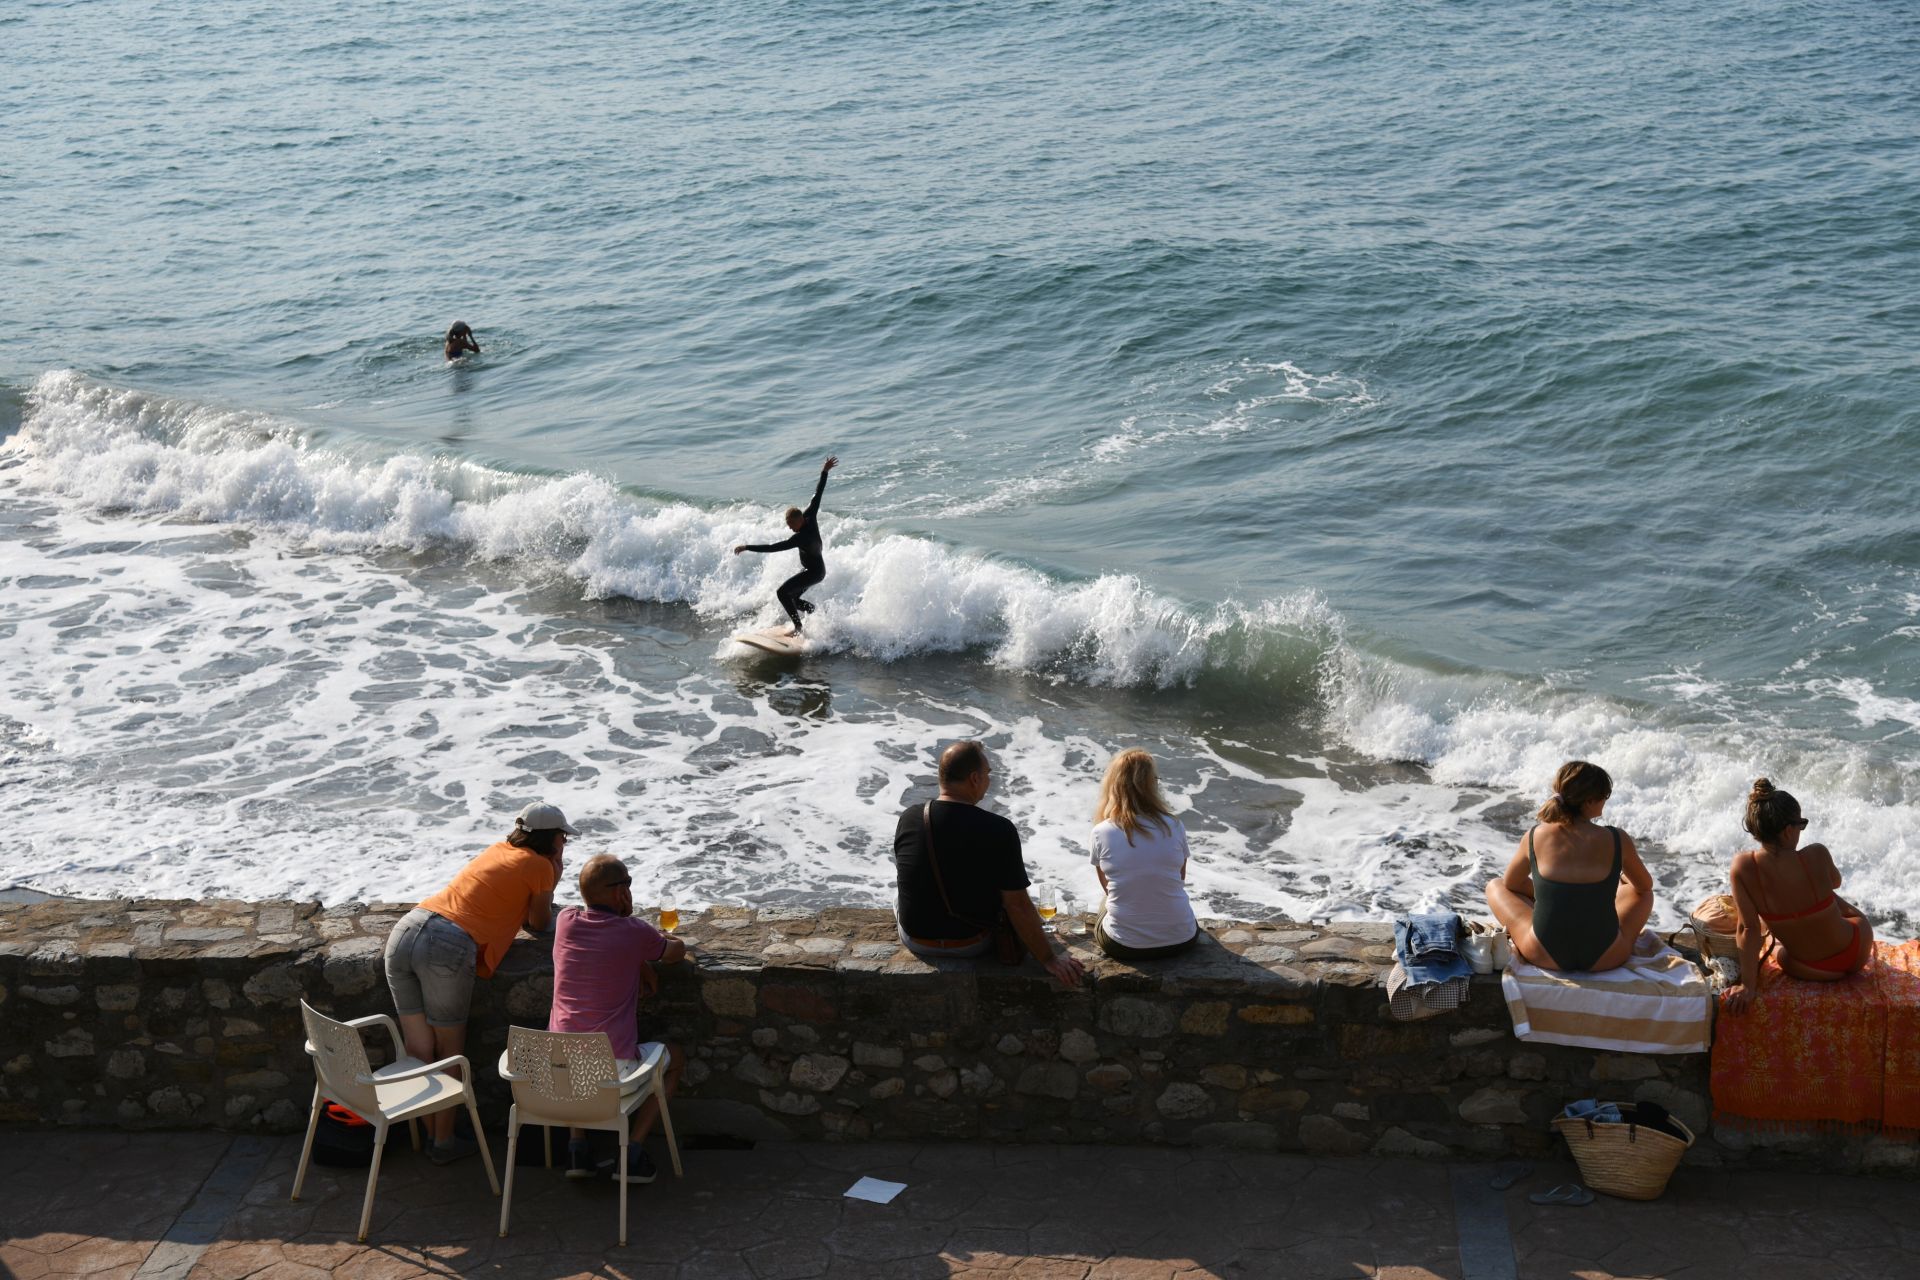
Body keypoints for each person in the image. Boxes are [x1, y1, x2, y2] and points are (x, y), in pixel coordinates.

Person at [382, 802, 569, 1162]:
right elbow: (541, 923)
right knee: (450, 1050)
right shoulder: (541, 865)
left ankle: (432, 1134)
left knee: (419, 1048)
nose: (565, 844)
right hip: (447, 946)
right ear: (553, 838)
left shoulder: (498, 849)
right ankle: (444, 1141)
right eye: (563, 838)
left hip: (407, 929)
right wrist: (555, 874)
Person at [893, 740, 1085, 988]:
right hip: (969, 943)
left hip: (917, 940)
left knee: (897, 897)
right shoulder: (998, 829)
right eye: (987, 774)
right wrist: (1049, 958)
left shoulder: (909, 818)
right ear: (974, 779)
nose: (988, 781)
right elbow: (1017, 905)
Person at [548, 854, 687, 1181]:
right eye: (628, 884)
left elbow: (604, 944)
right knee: (676, 1058)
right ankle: (632, 1153)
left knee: (572, 1053)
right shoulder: (634, 931)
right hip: (611, 1078)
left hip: (554, 1076)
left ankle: (577, 1149)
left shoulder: (565, 921)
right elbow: (674, 952)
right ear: (619, 892)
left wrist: (637, 961)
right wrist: (644, 949)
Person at [1484, 761, 1655, 973]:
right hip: (1607, 957)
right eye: (1605, 796)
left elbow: (1511, 883)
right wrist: (1622, 881)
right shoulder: (1616, 838)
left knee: (1495, 885)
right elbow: (1645, 887)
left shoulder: (1535, 835)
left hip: (1542, 954)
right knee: (1642, 894)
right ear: (1590, 801)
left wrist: (1553, 895)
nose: (1605, 801)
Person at [1722, 779, 1873, 1013]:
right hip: (1857, 949)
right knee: (1828, 898)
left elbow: (1748, 929)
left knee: (1781, 955)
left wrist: (1748, 986)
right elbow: (1836, 882)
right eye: (1801, 825)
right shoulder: (1817, 853)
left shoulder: (1742, 867)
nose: (1801, 832)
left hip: (1810, 967)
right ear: (1788, 830)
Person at [1089, 749, 1199, 960]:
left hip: (1124, 945)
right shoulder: (1174, 825)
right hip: (1182, 939)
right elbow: (1180, 877)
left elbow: (1108, 888)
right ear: (1152, 785)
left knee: (1108, 898)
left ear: (1113, 786)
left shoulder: (1101, 832)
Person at [732, 455, 838, 635]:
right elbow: (818, 492)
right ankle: (817, 615)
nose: (790, 528)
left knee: (782, 593)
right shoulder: (810, 516)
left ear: (799, 520)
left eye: (791, 525)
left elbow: (773, 547)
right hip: (814, 571)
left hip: (815, 572)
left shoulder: (801, 537)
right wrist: (824, 471)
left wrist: (748, 547)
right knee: (793, 598)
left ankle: (798, 627)